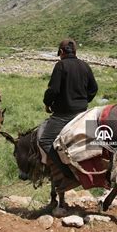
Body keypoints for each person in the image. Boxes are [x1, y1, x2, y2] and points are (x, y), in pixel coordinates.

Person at [39, 39, 98, 179]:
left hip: (64, 114)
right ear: (75, 51)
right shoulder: (85, 66)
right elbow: (94, 88)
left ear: (61, 52)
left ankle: (68, 172)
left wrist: (47, 103)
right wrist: (84, 100)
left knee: (45, 140)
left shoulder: (60, 66)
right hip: (83, 112)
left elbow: (53, 90)